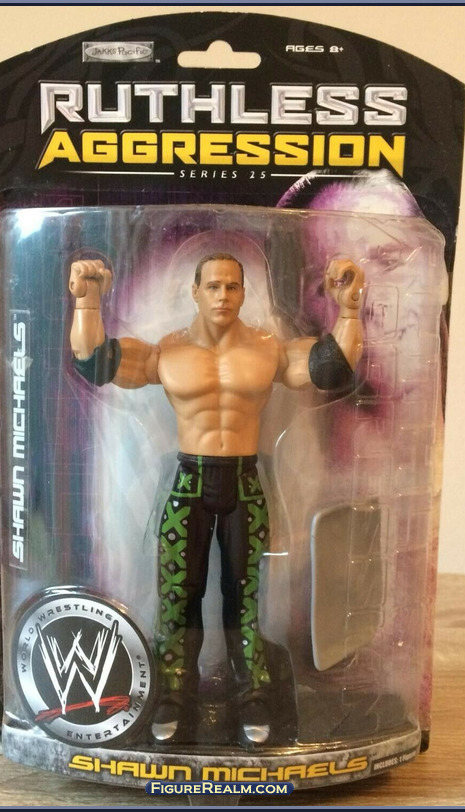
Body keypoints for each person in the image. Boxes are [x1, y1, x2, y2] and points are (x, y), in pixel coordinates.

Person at [69, 251, 364, 746]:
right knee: (177, 595)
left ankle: (253, 693)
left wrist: (350, 310)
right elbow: (94, 361)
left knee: (244, 599)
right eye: (213, 286)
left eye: (232, 286)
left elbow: (330, 367)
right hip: (188, 486)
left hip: (245, 485)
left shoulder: (267, 350)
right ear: (195, 291)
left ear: (244, 292)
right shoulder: (167, 351)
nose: (223, 295)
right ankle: (171, 692)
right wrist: (88, 302)